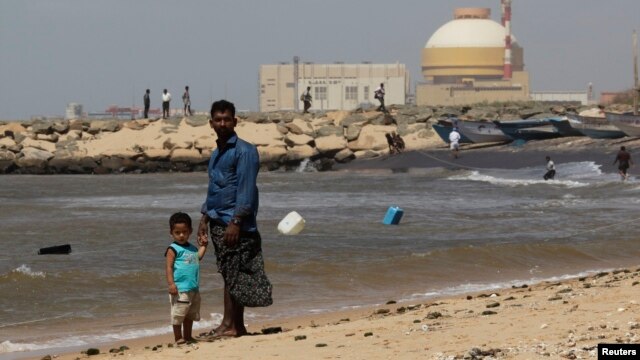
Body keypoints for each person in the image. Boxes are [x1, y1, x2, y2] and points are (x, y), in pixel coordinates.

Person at [197, 99, 272, 339]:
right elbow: (214, 189)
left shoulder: (245, 151)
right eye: (218, 119)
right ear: (211, 123)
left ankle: (231, 326)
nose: (222, 123)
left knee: (236, 275)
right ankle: (232, 325)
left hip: (236, 224)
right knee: (230, 275)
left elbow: (246, 190)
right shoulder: (216, 153)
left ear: (235, 121)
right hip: (219, 221)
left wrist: (236, 221)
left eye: (226, 119)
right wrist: (204, 218)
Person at [165, 212, 207, 344]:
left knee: (190, 314)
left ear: (190, 231)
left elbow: (198, 257)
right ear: (171, 233)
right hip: (180, 289)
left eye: (184, 231)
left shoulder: (192, 248)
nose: (181, 235)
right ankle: (178, 338)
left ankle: (188, 336)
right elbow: (169, 267)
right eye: (177, 232)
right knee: (178, 315)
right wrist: (171, 284)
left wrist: (204, 246)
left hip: (193, 288)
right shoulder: (173, 249)